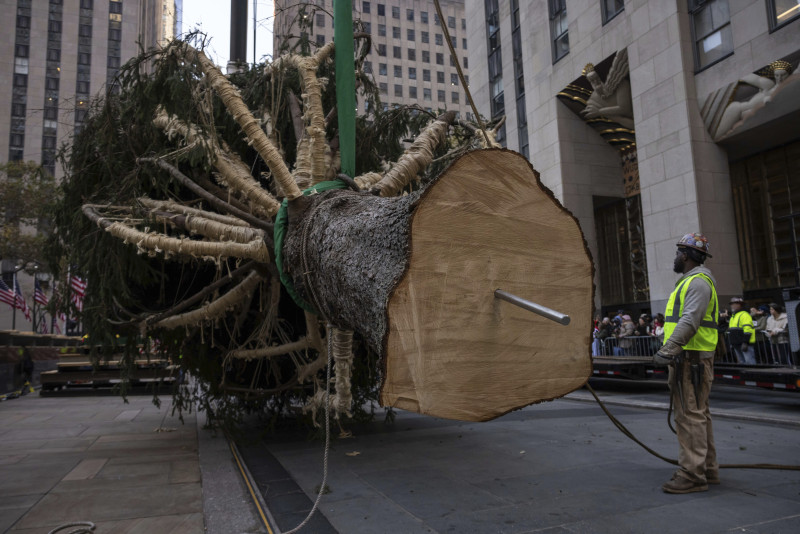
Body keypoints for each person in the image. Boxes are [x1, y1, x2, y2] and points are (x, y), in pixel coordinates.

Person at [654, 233, 719, 494]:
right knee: (698, 415)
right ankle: (708, 468)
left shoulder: (698, 283)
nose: (675, 258)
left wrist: (668, 350)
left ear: (686, 255)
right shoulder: (691, 282)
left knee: (689, 416)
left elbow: (690, 321)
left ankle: (692, 475)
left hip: (690, 359)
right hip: (690, 358)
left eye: (677, 253)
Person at [728, 297, 756, 364]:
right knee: (742, 363)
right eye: (731, 304)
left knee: (749, 362)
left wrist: (745, 342)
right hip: (737, 343)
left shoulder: (744, 315)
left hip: (744, 343)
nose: (732, 305)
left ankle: (752, 374)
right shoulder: (734, 316)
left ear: (739, 304)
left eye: (733, 304)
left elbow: (748, 329)